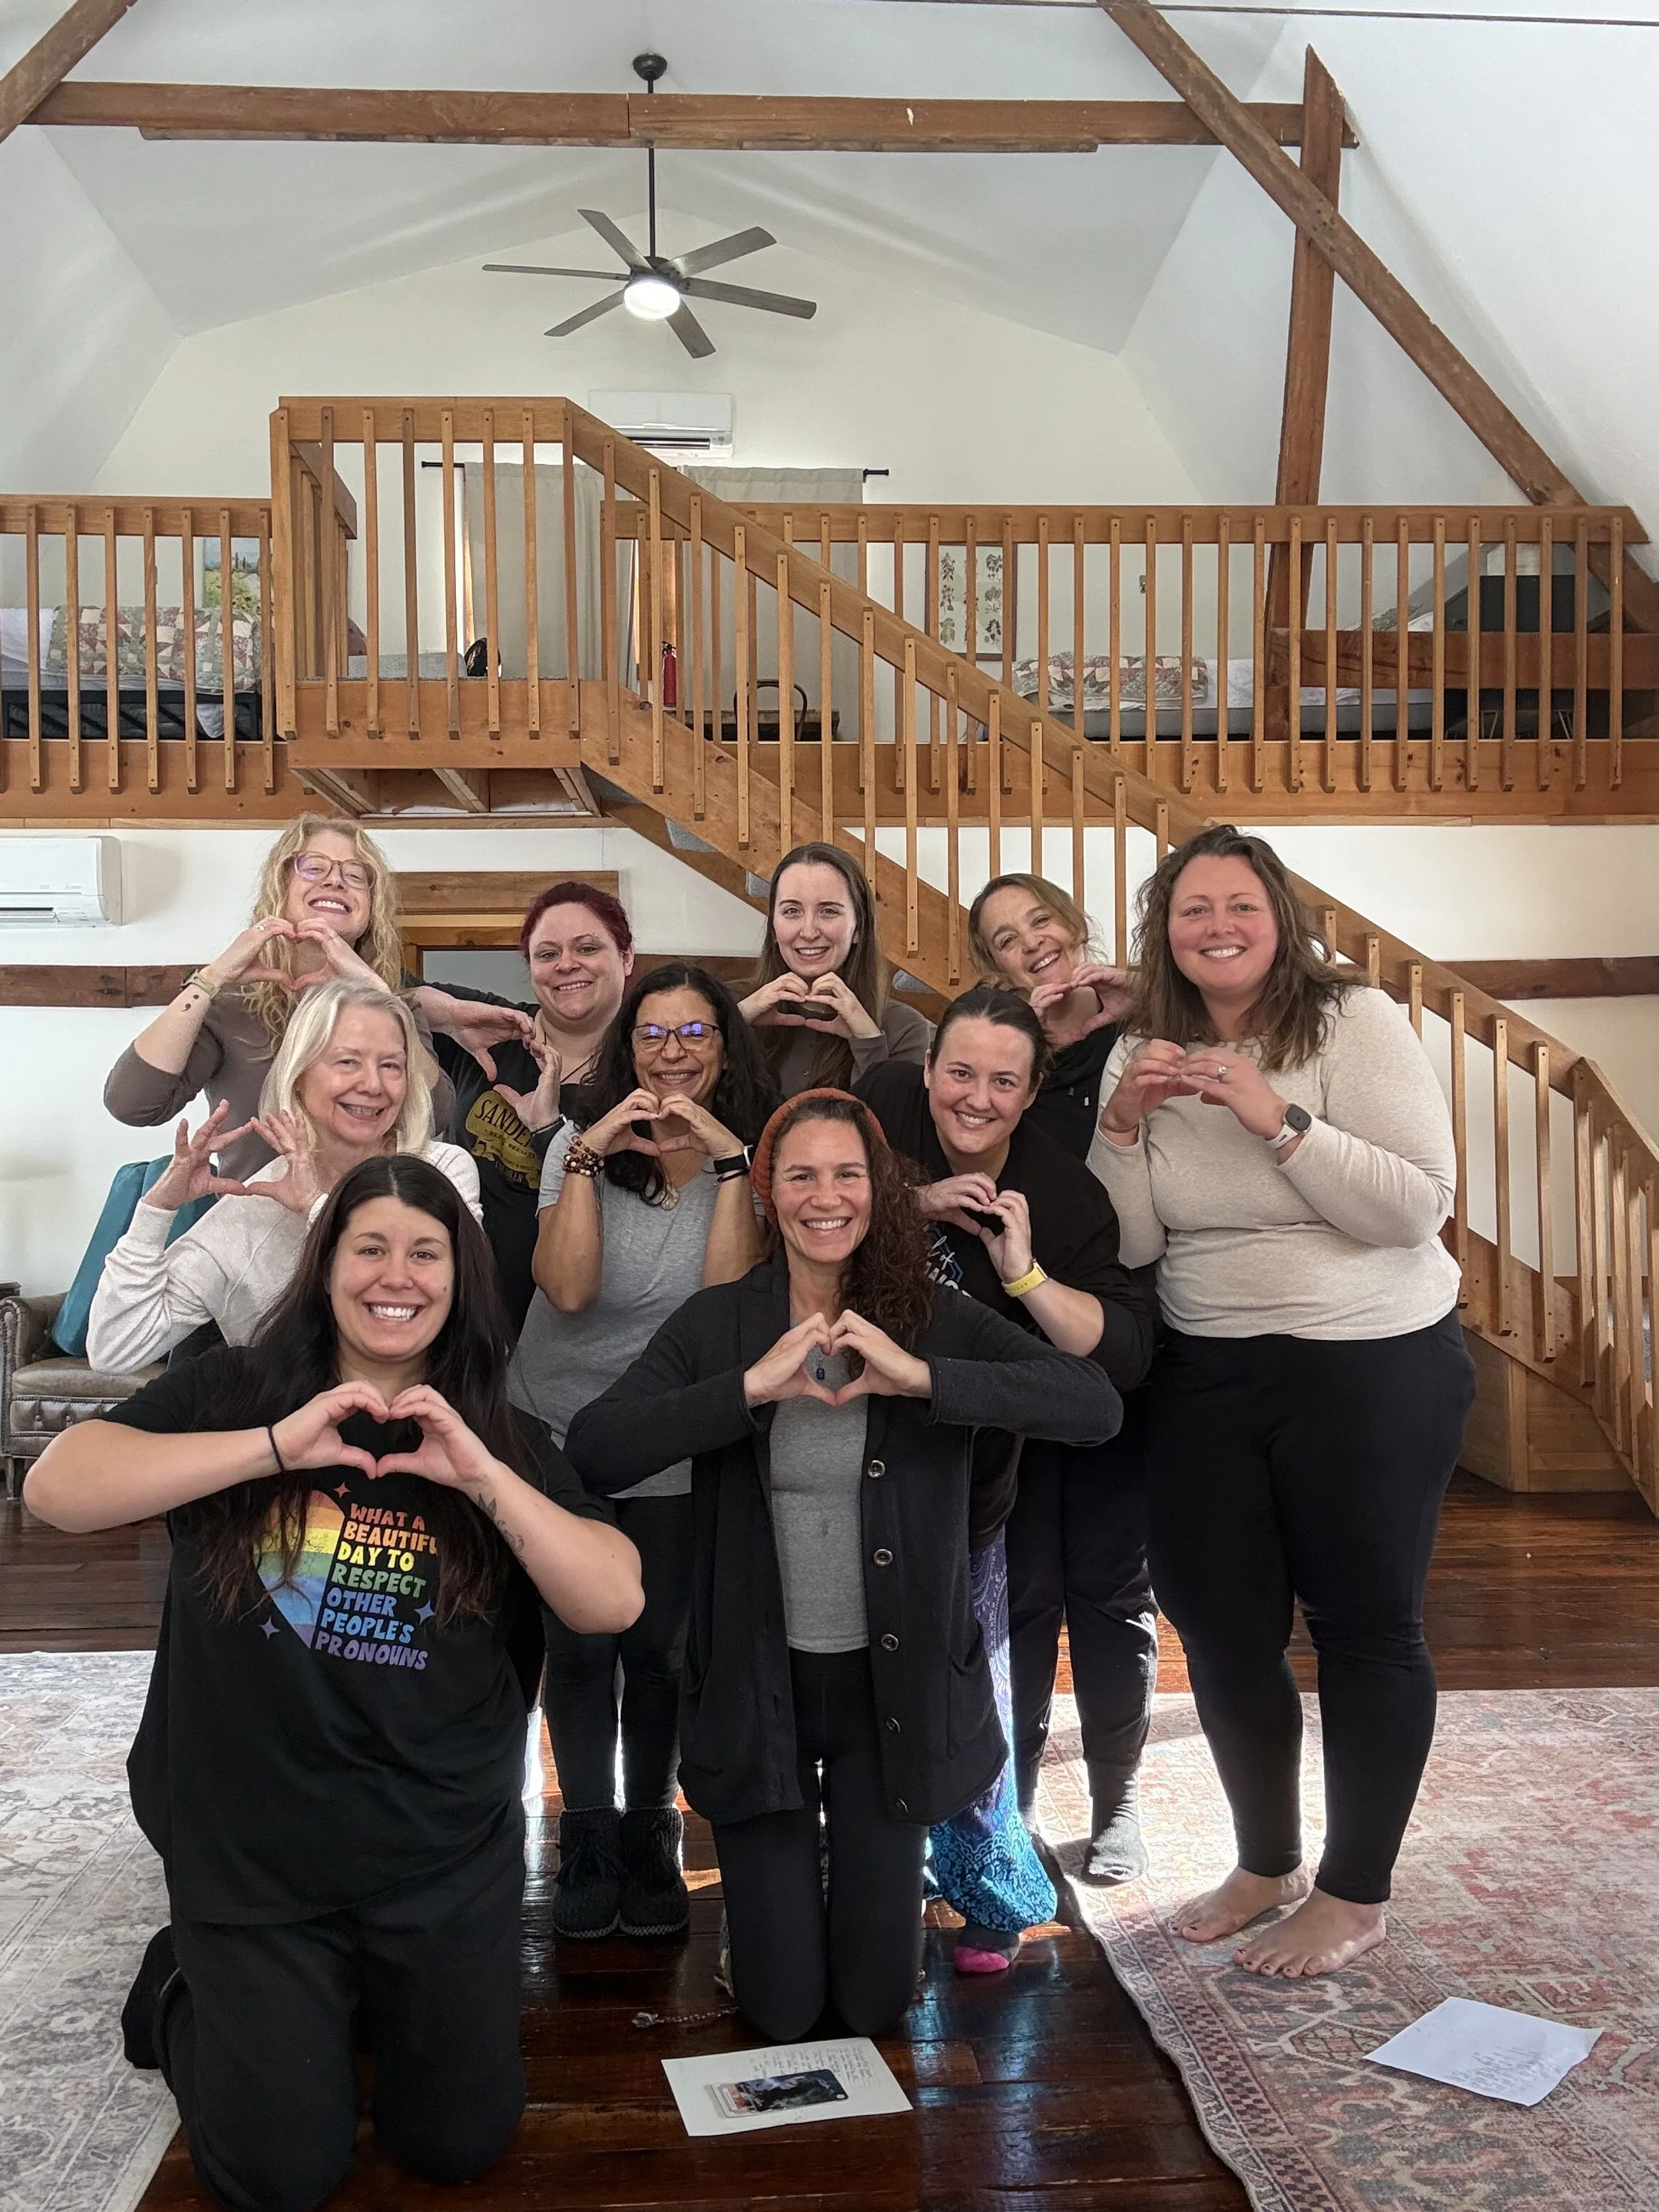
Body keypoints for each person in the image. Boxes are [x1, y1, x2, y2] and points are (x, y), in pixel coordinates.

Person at [23, 1155, 642, 2212]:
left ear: (459, 1279)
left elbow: (612, 1599)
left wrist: (483, 1480)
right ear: (326, 1266)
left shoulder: (501, 1433)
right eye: (369, 1246)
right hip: (254, 1848)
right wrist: (271, 1448)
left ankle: (338, 2002)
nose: (394, 1275)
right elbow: (55, 1489)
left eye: (424, 1252)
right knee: (280, 2175)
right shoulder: (238, 1391)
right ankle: (185, 1982)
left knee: (457, 2144)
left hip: (438, 1854)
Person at [565, 1088, 1121, 2045]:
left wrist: (923, 1378)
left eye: (849, 1174)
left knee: (875, 2004)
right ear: (770, 1199)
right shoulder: (719, 1323)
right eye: (803, 1176)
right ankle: (765, 1925)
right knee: (781, 2012)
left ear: (881, 1192)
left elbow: (1093, 1403)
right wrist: (746, 1390)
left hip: (890, 1698)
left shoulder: (933, 1317)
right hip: (758, 1691)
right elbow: (598, 1445)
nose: (828, 1197)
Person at [1089, 823, 1475, 1978]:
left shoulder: (1352, 1023)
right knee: (1217, 1624)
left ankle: (1356, 1890)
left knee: (1365, 1625)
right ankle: (1268, 1859)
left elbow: (1418, 1207)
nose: (1217, 926)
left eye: (1240, 904)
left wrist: (1275, 1116)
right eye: (1193, 907)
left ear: (1280, 915)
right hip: (1208, 1364)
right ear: (1167, 929)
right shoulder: (1135, 1052)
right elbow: (1137, 1234)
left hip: (1374, 1358)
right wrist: (1120, 1127)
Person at [857, 990, 1158, 1967]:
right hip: (836, 1450)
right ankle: (870, 1855)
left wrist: (1023, 1273)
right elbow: (797, 1194)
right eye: (960, 1072)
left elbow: (1113, 1359)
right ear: (929, 1066)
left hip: (965, 1481)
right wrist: (912, 1201)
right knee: (851, 1671)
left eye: (1002, 1081)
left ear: (1032, 1093)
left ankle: (988, 1877)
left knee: (968, 1678)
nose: (975, 1098)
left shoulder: (1064, 1196)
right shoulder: (884, 1104)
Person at [511, 964, 777, 1942]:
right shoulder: (581, 1151)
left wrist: (729, 1164)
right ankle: (586, 1832)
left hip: (670, 1432)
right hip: (557, 1426)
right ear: (628, 1050)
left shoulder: (747, 1159)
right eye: (653, 1036)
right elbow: (568, 1291)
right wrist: (586, 1156)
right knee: (579, 1644)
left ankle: (653, 1827)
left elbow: (719, 1316)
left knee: (660, 1648)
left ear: (724, 1047)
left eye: (693, 1034)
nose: (671, 1054)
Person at [88, 980, 481, 1372]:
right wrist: (158, 1206)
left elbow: (462, 1315)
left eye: (391, 1065)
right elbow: (115, 1350)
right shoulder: (251, 1212)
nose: (373, 1085)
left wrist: (316, 1209)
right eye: (348, 1062)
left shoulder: (444, 1170)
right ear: (299, 1074)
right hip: (283, 1427)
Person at [102, 814, 487, 1183]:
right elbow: (132, 1104)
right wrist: (212, 978)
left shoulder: (396, 1004)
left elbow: (433, 1114)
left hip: (365, 1225)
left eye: (355, 875)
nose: (336, 882)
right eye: (314, 867)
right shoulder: (232, 1006)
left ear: (371, 908)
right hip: (256, 1229)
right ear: (282, 884)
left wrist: (380, 995)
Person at [415, 881, 637, 1331]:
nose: (567, 965)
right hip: (456, 1320)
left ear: (626, 958)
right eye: (547, 953)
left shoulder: (645, 1070)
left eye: (588, 947)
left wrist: (550, 1133)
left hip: (577, 1332)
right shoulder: (491, 1029)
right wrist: (452, 1014)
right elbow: (374, 988)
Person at [739, 842, 930, 1097]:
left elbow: (896, 1128)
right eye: (792, 911)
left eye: (828, 911)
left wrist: (868, 1039)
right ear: (773, 927)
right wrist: (734, 1022)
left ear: (859, 929)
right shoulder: (733, 1003)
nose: (808, 932)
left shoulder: (905, 1027)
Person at [968, 872, 1134, 1158]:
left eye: (1041, 920)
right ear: (998, 968)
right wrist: (1021, 1049)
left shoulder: (1135, 1004)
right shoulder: (989, 1035)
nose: (1032, 943)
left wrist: (1145, 998)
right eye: (1007, 941)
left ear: (1073, 923)